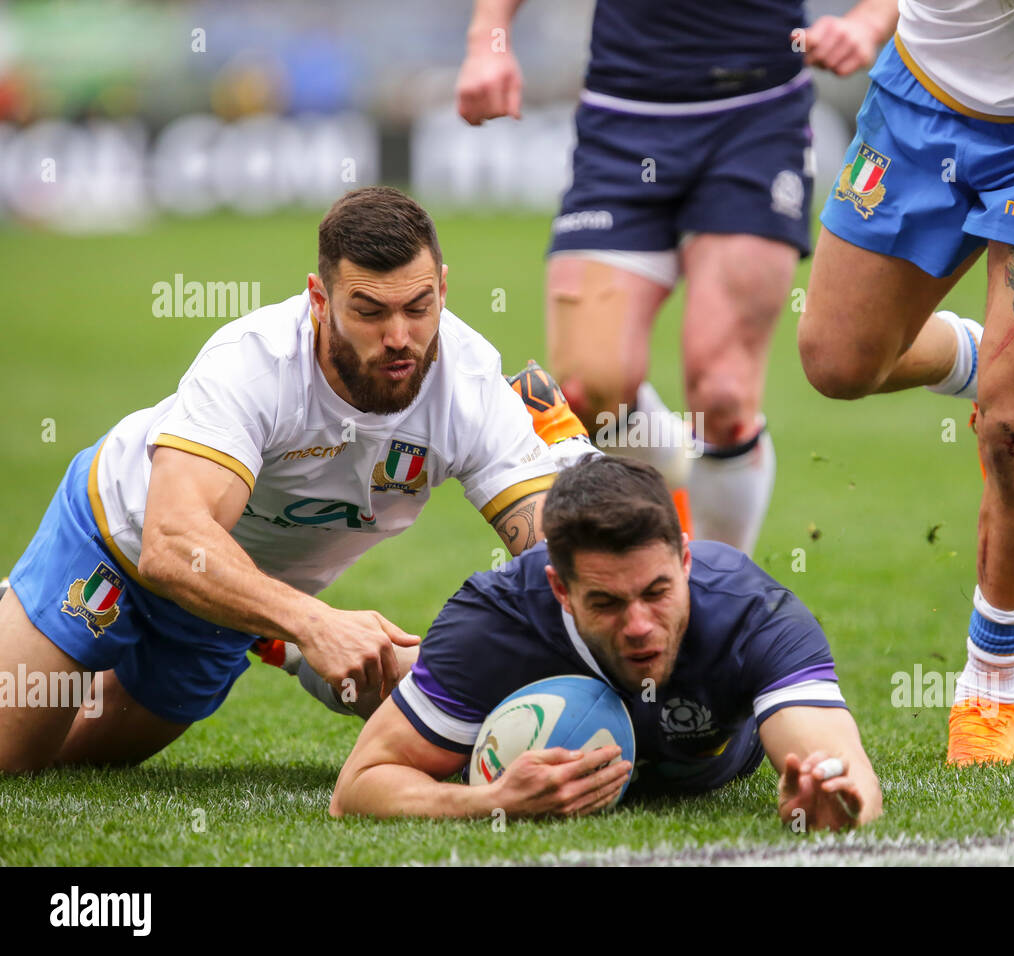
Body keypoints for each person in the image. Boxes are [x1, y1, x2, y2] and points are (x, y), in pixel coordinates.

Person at [0, 186, 560, 771]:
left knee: (83, 762)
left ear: (443, 288)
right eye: (369, 311)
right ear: (319, 299)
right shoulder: (253, 363)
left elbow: (552, 555)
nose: (399, 337)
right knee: (14, 756)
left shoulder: (472, 386)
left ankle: (268, 641)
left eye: (419, 307)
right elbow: (171, 543)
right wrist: (312, 623)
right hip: (119, 543)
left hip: (231, 606)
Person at [797, 1, 1014, 764]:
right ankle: (984, 359)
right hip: (919, 103)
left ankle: (991, 687)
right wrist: (868, 21)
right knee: (837, 362)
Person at [454, 0, 935, 556]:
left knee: (723, 397)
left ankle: (715, 599)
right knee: (590, 389)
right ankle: (686, 472)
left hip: (757, 116)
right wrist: (488, 39)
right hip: (623, 117)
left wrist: (865, 23)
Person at [331, 456, 882, 831]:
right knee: (398, 676)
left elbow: (842, 764)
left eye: (657, 591)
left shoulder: (750, 612)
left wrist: (834, 798)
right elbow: (354, 788)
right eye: (608, 602)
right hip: (485, 677)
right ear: (560, 588)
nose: (639, 624)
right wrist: (490, 801)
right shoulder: (493, 621)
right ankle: (290, 648)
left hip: (709, 768)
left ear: (685, 560)